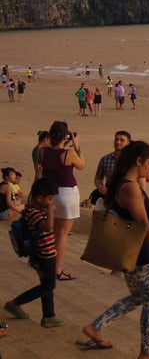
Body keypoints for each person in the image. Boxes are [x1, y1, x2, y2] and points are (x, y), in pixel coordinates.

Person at [79, 140, 149, 359]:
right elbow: (142, 222)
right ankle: (146, 352)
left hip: (133, 248)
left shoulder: (125, 182)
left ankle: (96, 326)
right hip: (139, 249)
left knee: (140, 296)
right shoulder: (129, 187)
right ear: (138, 161)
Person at [4, 178, 67, 328]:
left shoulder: (34, 210)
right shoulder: (33, 212)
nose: (51, 201)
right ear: (40, 198)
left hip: (45, 253)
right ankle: (15, 303)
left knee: (47, 284)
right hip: (43, 255)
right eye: (50, 198)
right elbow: (48, 228)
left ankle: (49, 316)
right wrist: (51, 211)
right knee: (48, 286)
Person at [40, 120, 85, 280]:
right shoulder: (67, 153)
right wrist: (76, 144)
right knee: (62, 233)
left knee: (50, 230)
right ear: (65, 135)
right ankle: (57, 270)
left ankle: (44, 263)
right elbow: (82, 165)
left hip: (50, 194)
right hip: (67, 193)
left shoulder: (43, 151)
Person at [91, 131, 131, 206]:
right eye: (116, 139)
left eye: (122, 140)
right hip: (109, 196)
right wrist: (100, 187)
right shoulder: (105, 159)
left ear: (128, 143)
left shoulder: (132, 160)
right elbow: (98, 178)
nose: (118, 142)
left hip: (127, 196)